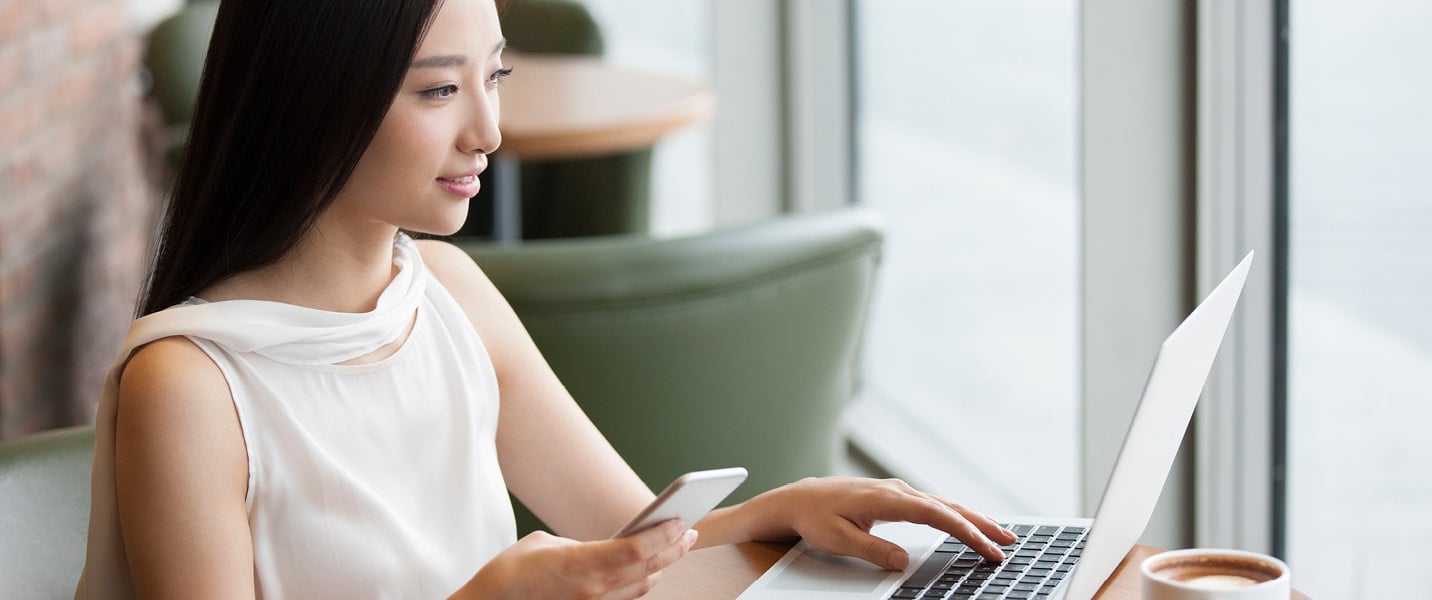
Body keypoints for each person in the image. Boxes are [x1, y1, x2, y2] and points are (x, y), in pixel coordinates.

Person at [76, 0, 1017, 597]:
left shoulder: (444, 290)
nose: (490, 129)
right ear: (314, 100)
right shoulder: (193, 389)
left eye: (494, 77)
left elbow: (631, 541)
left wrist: (781, 511)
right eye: (440, 90)